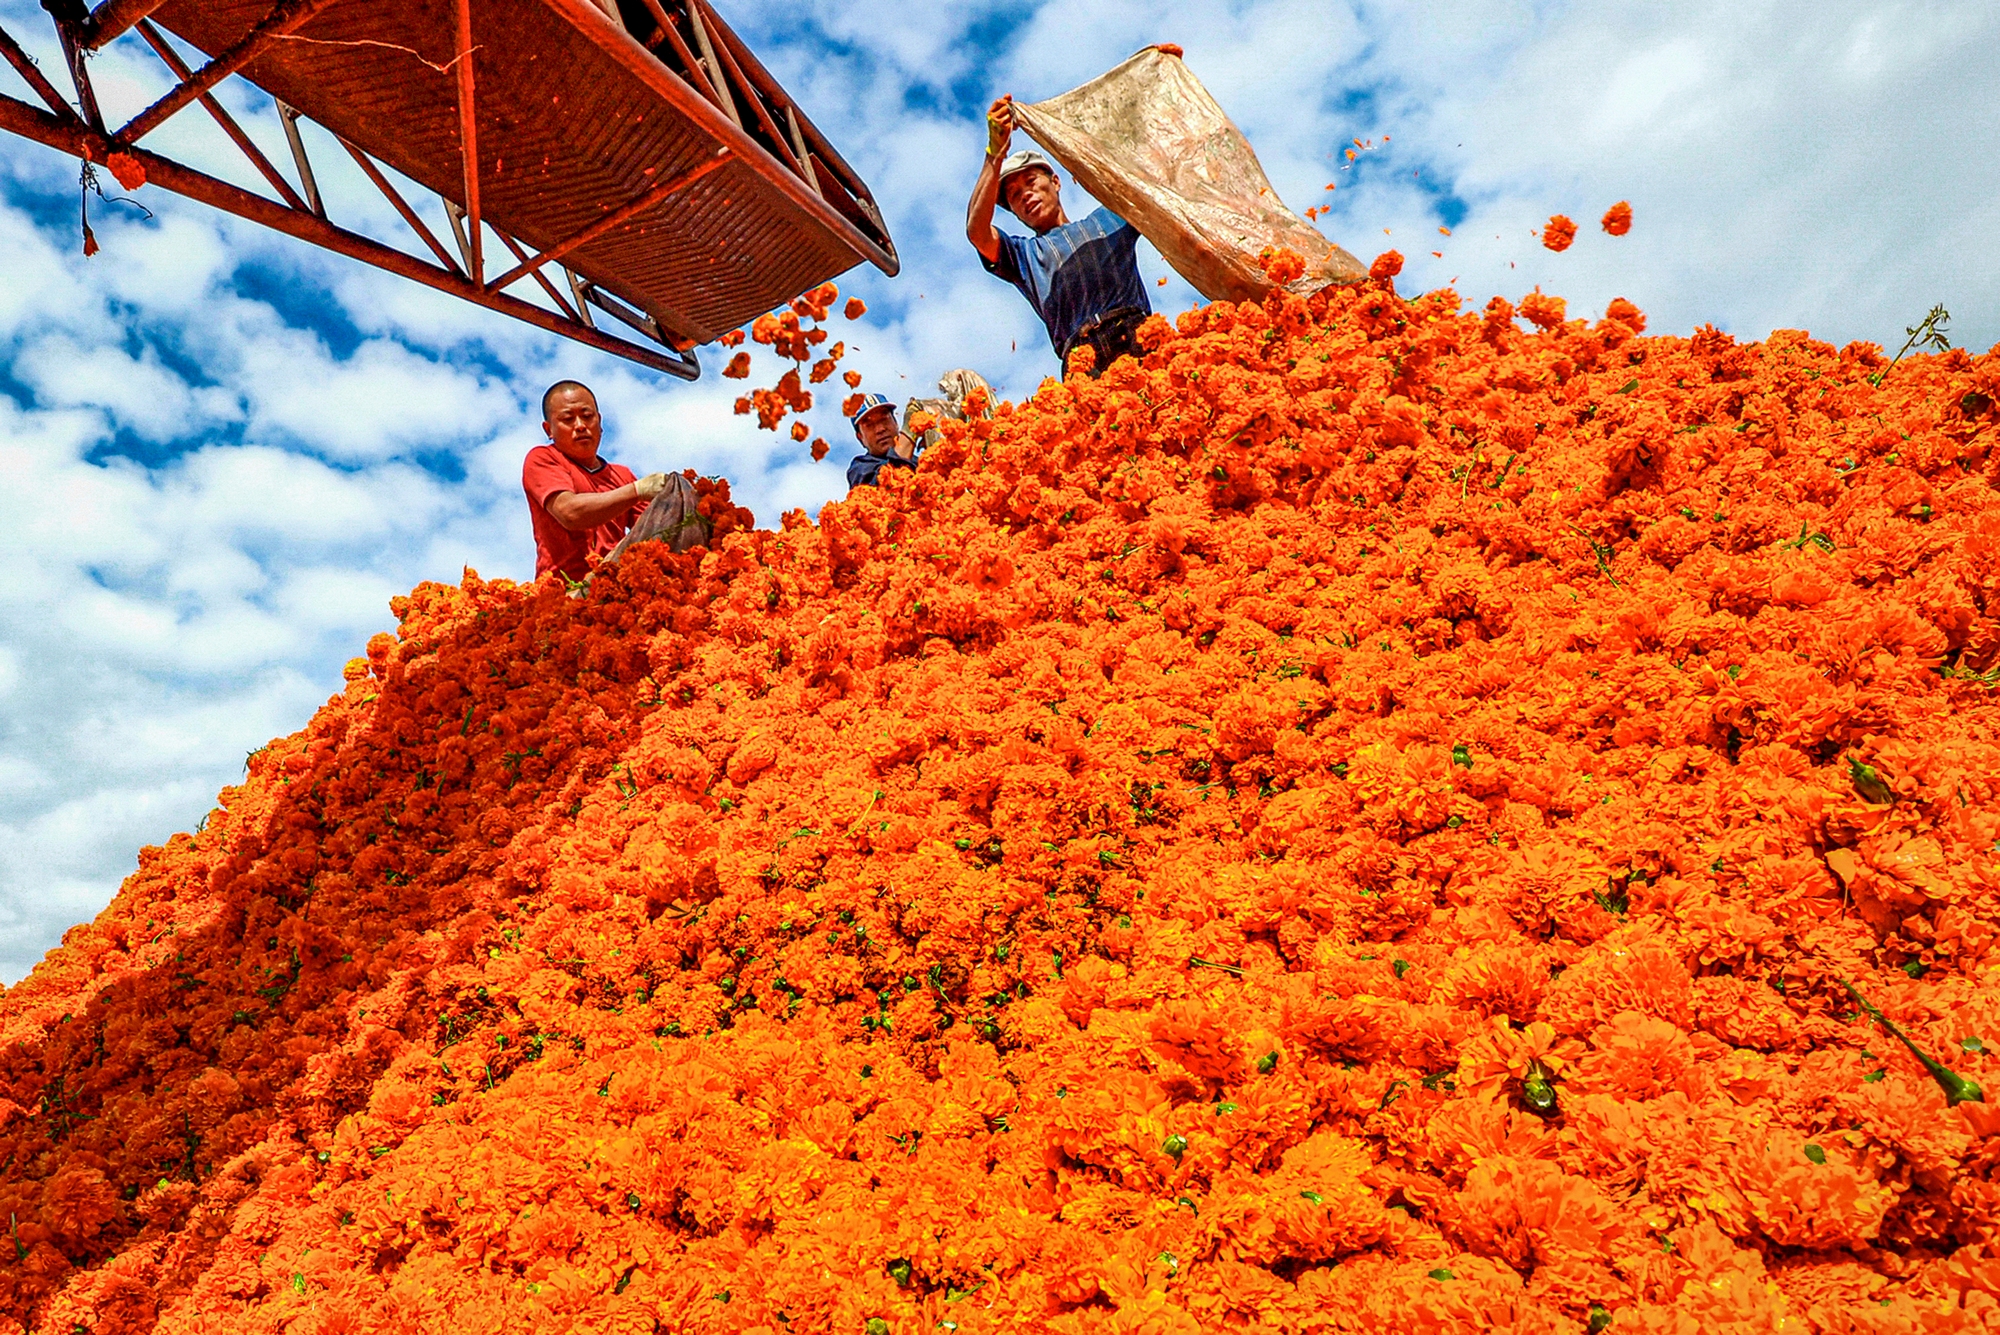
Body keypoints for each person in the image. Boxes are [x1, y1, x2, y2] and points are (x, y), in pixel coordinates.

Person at [967, 95, 1151, 376]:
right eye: (1014, 195)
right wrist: (995, 153)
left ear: (1055, 182)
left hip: (1135, 336)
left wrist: (1157, 74)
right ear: (1014, 212)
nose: (1026, 194)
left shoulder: (1109, 218)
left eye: (1031, 182)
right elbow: (977, 231)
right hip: (1081, 360)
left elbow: (1149, 173)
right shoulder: (1023, 256)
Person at [522, 380, 670, 581]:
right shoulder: (543, 458)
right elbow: (570, 513)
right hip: (565, 595)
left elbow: (659, 531)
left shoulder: (622, 475)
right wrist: (636, 491)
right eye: (568, 419)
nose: (581, 426)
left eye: (587, 416)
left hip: (616, 589)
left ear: (599, 421)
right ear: (548, 429)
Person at [846, 392, 917, 491]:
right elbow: (890, 482)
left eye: (884, 419)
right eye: (869, 425)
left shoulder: (921, 462)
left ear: (896, 423)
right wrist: (913, 428)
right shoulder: (860, 469)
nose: (880, 429)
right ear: (860, 437)